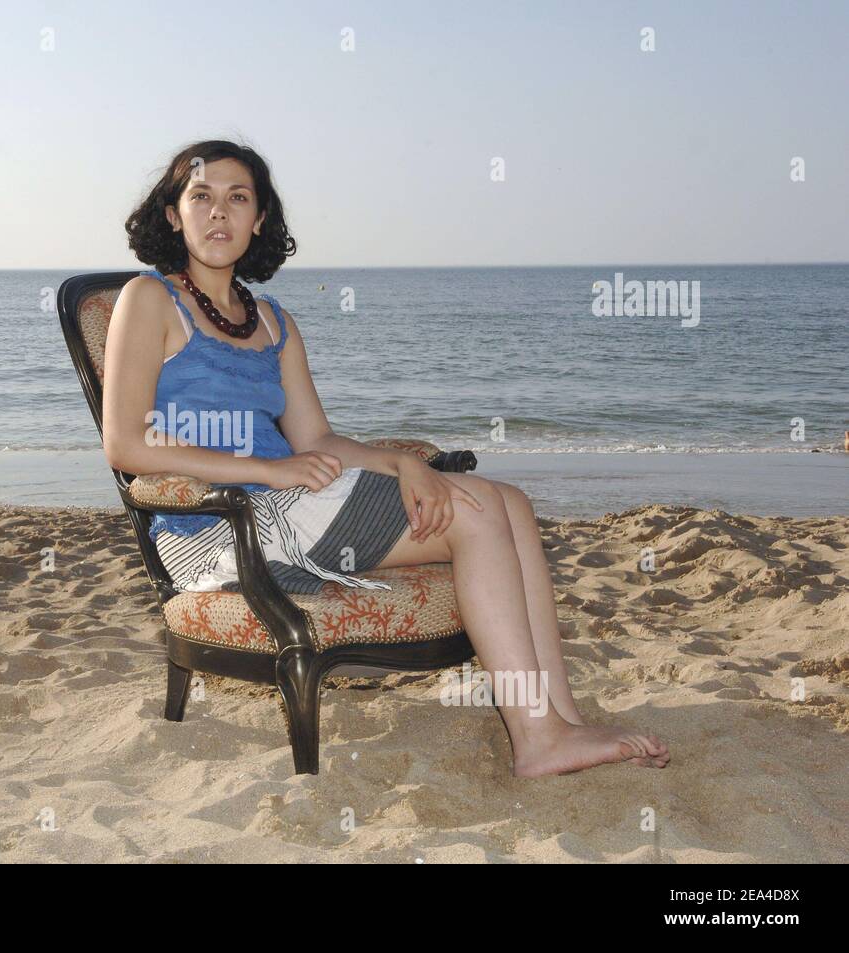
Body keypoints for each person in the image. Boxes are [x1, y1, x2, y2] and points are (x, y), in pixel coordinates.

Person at [102, 139, 669, 777]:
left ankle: (559, 717)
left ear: (259, 218)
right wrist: (268, 470)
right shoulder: (148, 300)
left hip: (288, 499)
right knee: (476, 513)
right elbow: (126, 443)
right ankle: (536, 738)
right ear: (173, 215)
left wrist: (403, 465)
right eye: (200, 197)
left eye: (238, 198)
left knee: (511, 502)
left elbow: (317, 441)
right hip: (216, 525)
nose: (218, 214)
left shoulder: (273, 321)